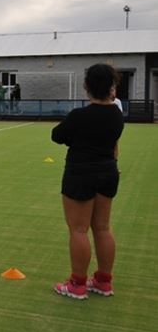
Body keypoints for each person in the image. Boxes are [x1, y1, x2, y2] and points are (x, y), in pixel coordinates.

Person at [51, 63, 124, 300]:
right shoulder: (116, 115)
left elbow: (57, 135)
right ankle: (103, 281)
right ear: (111, 87)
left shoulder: (79, 115)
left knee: (78, 230)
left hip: (80, 174)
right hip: (108, 171)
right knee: (102, 228)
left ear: (87, 87)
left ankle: (77, 284)